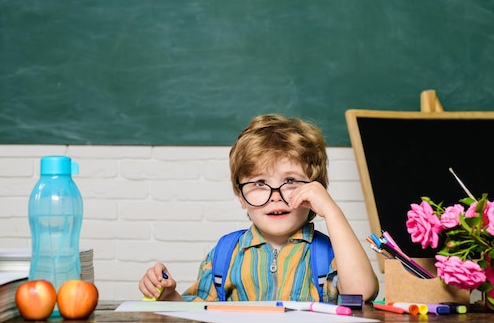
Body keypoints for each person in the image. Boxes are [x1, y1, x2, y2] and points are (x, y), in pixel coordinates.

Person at [138, 114, 378, 303]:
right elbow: (199, 312)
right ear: (240, 196)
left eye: (291, 181)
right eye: (260, 183)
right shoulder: (224, 255)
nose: (275, 196)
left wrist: (332, 211)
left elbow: (361, 292)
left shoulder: (330, 254)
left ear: (315, 192)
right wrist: (169, 296)